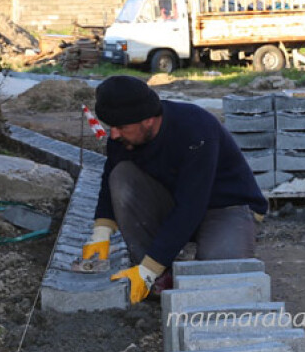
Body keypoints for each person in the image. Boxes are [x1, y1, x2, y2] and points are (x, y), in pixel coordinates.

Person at [80, 75, 269, 303]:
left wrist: (150, 268)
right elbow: (110, 177)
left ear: (148, 120)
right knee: (122, 176)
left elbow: (191, 206)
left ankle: (150, 270)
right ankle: (157, 275)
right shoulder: (124, 138)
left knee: (221, 276)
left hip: (226, 206)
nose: (114, 134)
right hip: (177, 200)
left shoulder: (195, 129)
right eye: (111, 127)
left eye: (121, 127)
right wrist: (101, 231)